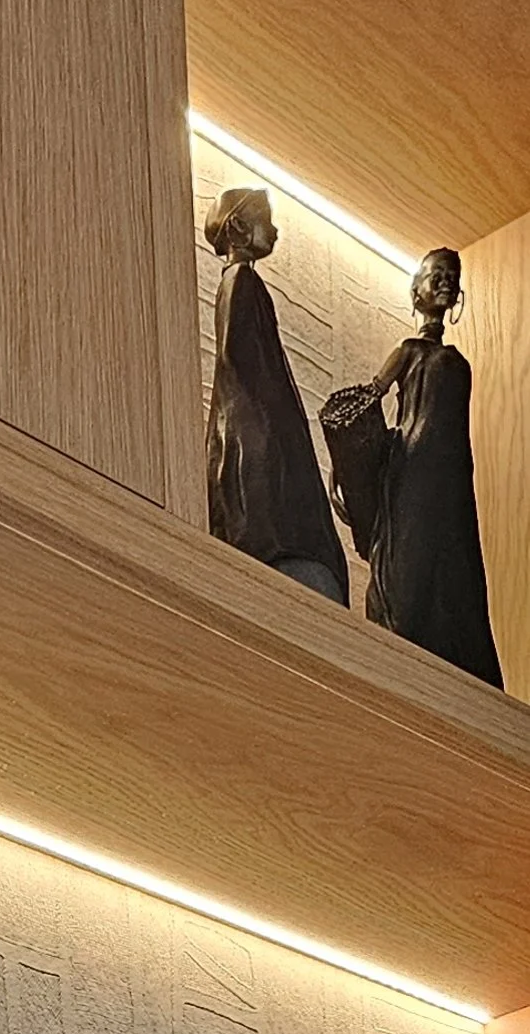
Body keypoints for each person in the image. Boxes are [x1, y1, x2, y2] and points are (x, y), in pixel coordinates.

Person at [324, 249, 503, 684]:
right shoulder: (408, 351)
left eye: (451, 277)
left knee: (457, 567)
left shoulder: (458, 361)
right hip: (412, 475)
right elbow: (369, 397)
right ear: (415, 291)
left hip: (454, 483)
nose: (445, 282)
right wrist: (347, 468)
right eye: (436, 275)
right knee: (412, 567)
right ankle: (402, 641)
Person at [204, 187, 347, 603]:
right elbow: (244, 369)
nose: (277, 230)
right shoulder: (240, 282)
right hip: (261, 437)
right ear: (238, 226)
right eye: (266, 219)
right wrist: (274, 441)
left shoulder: (244, 282)